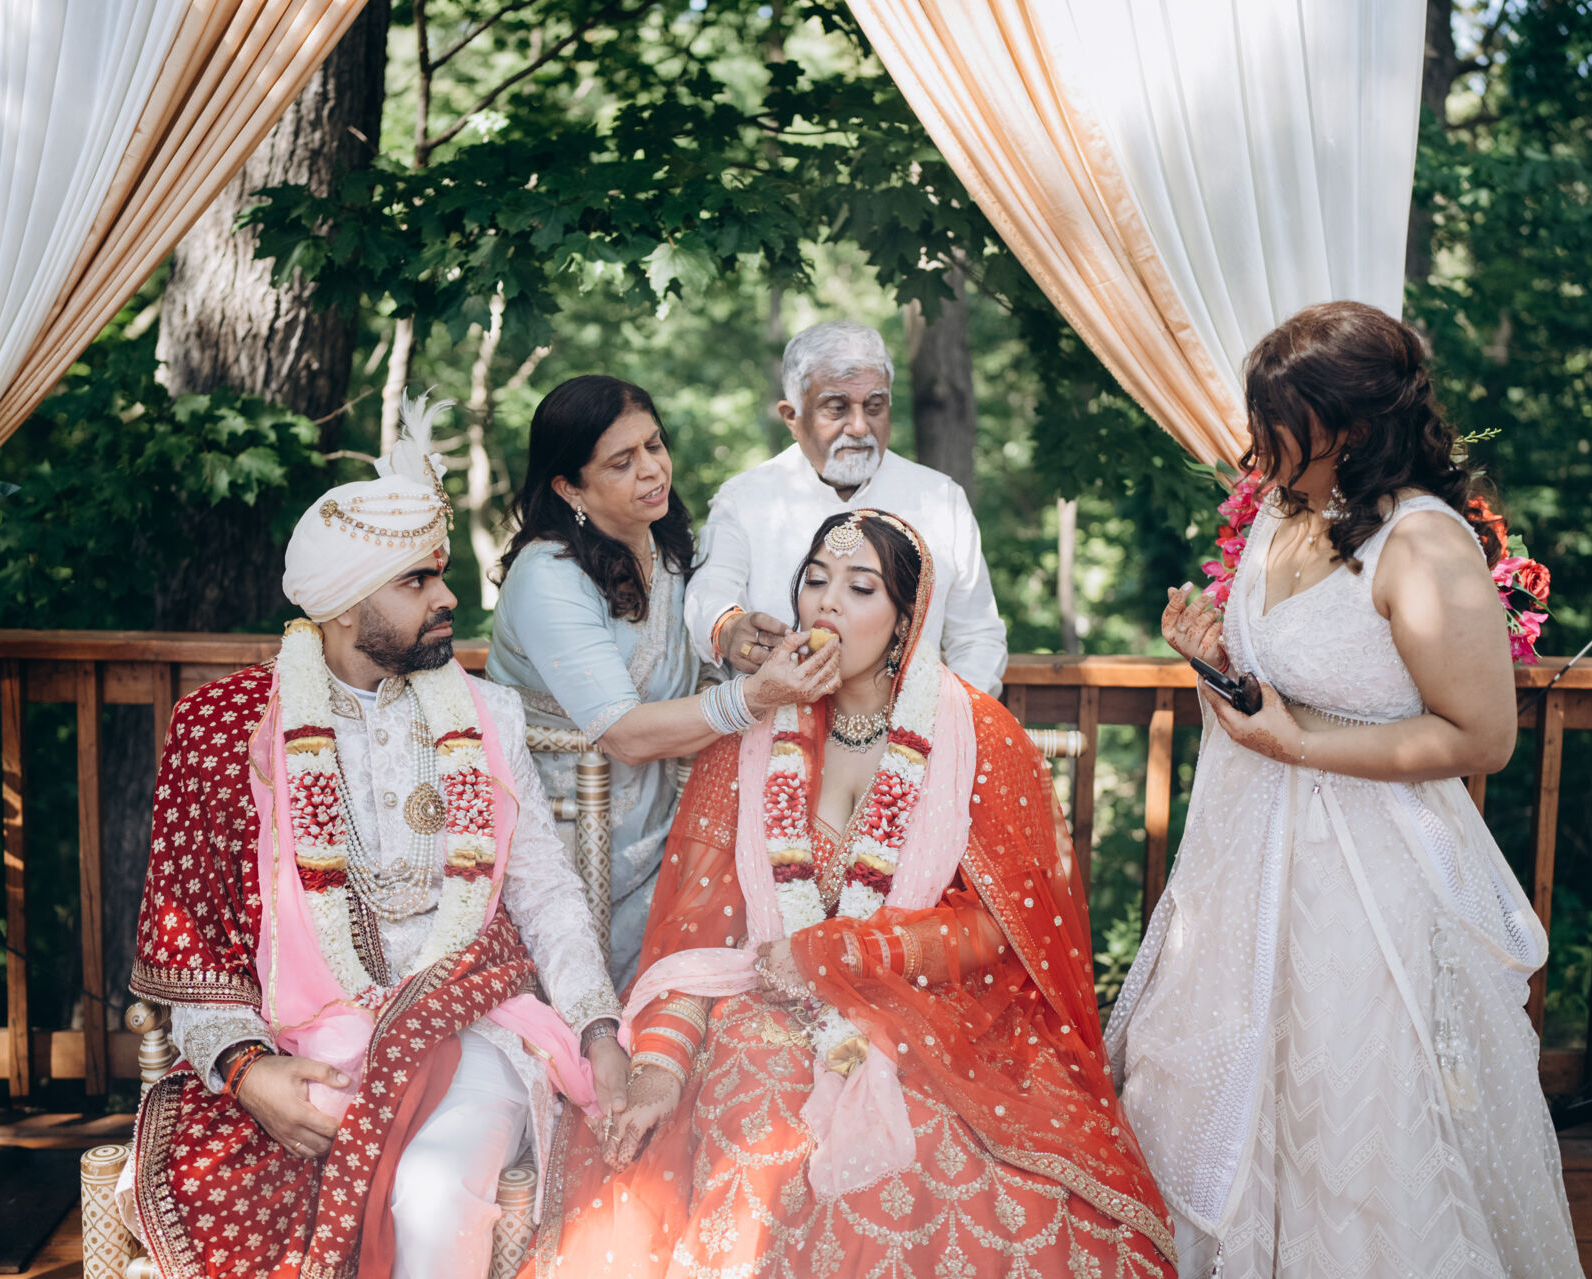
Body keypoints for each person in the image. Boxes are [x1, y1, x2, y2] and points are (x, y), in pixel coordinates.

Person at [523, 510, 1175, 1279]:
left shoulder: (980, 736)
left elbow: (1000, 928)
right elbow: (697, 938)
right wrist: (662, 1062)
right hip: (765, 1003)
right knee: (764, 1130)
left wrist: (849, 950)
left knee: (936, 1143)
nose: (827, 602)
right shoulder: (747, 737)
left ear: (906, 621)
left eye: (860, 587)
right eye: (815, 581)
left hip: (932, 1007)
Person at [1105, 302, 1582, 1277]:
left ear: (1352, 427)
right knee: (1229, 1082)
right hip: (1244, 853)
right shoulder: (1286, 509)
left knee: (1350, 1094)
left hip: (1363, 874)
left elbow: (1483, 737)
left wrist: (1302, 743)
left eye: (1278, 422)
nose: (1257, 444)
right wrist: (1213, 658)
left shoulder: (1426, 544)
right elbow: (1284, 680)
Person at [123, 401, 631, 1279]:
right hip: (298, 1037)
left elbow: (546, 893)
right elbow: (197, 946)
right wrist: (247, 1073)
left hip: (473, 1019)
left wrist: (597, 1027)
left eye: (441, 575)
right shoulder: (225, 730)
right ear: (342, 606)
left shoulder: (488, 713)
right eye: (416, 582)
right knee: (245, 1184)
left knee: (431, 1194)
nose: (448, 598)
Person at [488, 375, 841, 982]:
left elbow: (695, 655)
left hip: (665, 824)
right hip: (567, 840)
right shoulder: (548, 575)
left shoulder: (665, 546)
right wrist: (756, 696)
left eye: (654, 445)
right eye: (621, 462)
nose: (652, 469)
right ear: (569, 487)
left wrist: (731, 636)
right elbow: (624, 733)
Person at [683, 320, 1009, 695]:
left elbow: (977, 637)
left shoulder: (940, 498)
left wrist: (954, 719)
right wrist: (726, 628)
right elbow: (709, 593)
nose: (858, 426)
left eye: (874, 406)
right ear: (792, 417)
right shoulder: (745, 499)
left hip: (912, 725)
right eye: (837, 408)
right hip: (774, 722)